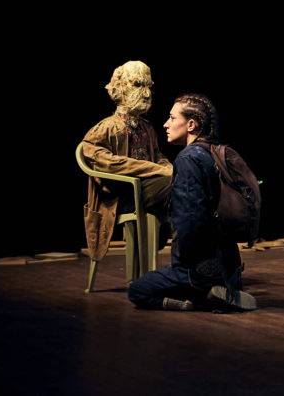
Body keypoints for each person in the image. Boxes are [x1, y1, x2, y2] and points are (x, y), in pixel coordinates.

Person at [128, 93, 256, 311]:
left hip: (197, 268)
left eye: (172, 118)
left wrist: (186, 265)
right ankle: (223, 288)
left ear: (191, 124)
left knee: (137, 291)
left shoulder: (188, 159)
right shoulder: (215, 153)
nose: (166, 124)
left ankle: (196, 299)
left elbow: (190, 218)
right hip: (229, 265)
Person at [81, 61, 173, 265]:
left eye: (149, 86)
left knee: (184, 181)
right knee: (178, 183)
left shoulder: (147, 128)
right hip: (120, 197)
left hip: (147, 192)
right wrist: (155, 169)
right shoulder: (105, 128)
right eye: (138, 85)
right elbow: (99, 159)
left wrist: (168, 167)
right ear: (120, 88)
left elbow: (158, 156)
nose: (147, 94)